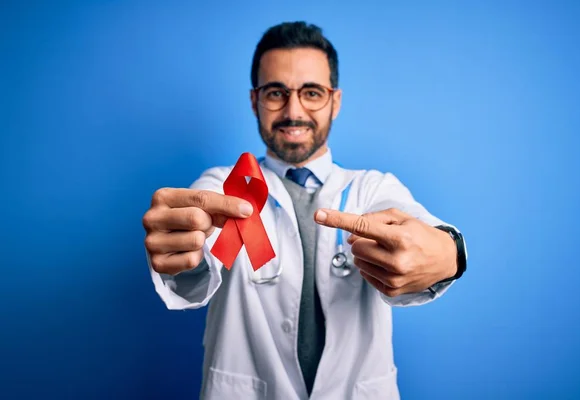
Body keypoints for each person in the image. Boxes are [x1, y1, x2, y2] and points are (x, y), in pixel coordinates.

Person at [142, 21, 467, 400]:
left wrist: (450, 252)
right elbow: (197, 269)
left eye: (311, 93)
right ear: (254, 101)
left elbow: (421, 227)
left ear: (335, 100)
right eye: (276, 92)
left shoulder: (373, 189)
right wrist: (184, 249)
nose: (293, 111)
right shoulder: (224, 186)